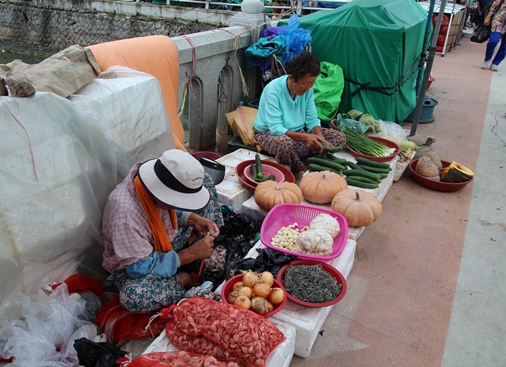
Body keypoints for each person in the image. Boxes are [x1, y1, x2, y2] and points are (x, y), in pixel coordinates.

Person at [101, 149, 223, 313]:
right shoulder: (126, 215)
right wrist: (191, 254)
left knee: (204, 183)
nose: (182, 204)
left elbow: (167, 210)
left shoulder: (157, 186)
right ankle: (183, 278)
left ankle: (206, 249)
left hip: (164, 239)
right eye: (179, 200)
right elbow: (138, 269)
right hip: (137, 265)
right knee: (133, 296)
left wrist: (193, 219)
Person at [253, 52, 346, 174]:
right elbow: (275, 128)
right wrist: (307, 137)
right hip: (269, 133)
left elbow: (312, 118)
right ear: (292, 78)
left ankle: (304, 158)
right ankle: (301, 168)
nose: (308, 87)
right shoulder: (273, 90)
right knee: (285, 145)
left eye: (311, 83)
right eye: (305, 83)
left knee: (340, 137)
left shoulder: (308, 90)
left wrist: (320, 139)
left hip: (299, 132)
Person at [482, 0, 506, 70]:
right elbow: (495, 5)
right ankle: (487, 59)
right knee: (493, 41)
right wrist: (488, 17)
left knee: (504, 46)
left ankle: (495, 63)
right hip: (499, 20)